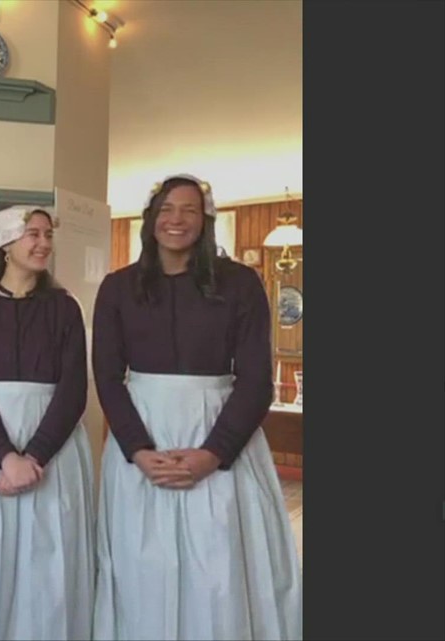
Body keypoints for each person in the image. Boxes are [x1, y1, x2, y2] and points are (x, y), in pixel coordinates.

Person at [91, 174, 303, 640]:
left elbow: (255, 381)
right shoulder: (118, 288)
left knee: (219, 567)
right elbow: (107, 378)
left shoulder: (241, 284)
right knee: (142, 565)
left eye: (189, 210)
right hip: (140, 441)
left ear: (205, 221)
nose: (177, 219)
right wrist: (138, 450)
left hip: (219, 435)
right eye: (166, 209)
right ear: (150, 220)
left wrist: (213, 453)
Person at [0, 205, 96, 640]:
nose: (43, 243)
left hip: (53, 447)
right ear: (4, 245)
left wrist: (34, 455)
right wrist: (5, 455)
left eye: (47, 234)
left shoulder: (65, 309)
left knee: (51, 556)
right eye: (32, 234)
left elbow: (73, 389)